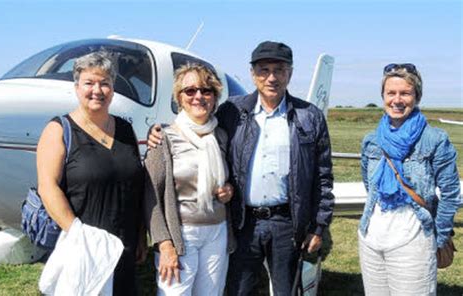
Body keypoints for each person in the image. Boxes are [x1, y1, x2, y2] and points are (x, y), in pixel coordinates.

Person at [148, 41, 335, 295]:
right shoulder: (233, 112)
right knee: (238, 290)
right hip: (243, 223)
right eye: (263, 70)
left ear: (289, 73)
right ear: (252, 74)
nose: (271, 77)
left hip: (287, 224)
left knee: (287, 290)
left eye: (279, 70)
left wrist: (318, 226)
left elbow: (323, 177)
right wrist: (156, 131)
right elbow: (196, 124)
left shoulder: (310, 116)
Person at [37, 51, 145, 295]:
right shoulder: (58, 130)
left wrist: (140, 234)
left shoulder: (126, 130)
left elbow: (135, 185)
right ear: (77, 88)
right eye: (89, 83)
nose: (97, 90)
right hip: (83, 249)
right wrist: (78, 234)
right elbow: (48, 186)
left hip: (122, 247)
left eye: (105, 83)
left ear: (113, 89)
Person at [359, 63, 461, 295]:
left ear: (416, 96)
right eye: (391, 93)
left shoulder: (434, 139)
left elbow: (451, 193)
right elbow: (369, 184)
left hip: (414, 240)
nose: (397, 100)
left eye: (405, 93)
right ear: (383, 96)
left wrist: (440, 235)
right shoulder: (372, 140)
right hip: (371, 238)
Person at [144, 63, 236, 295]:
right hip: (181, 235)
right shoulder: (163, 137)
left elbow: (231, 178)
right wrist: (164, 244)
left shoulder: (221, 136)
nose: (198, 96)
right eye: (190, 91)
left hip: (217, 232)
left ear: (215, 97)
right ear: (179, 97)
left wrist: (229, 190)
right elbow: (150, 196)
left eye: (206, 91)